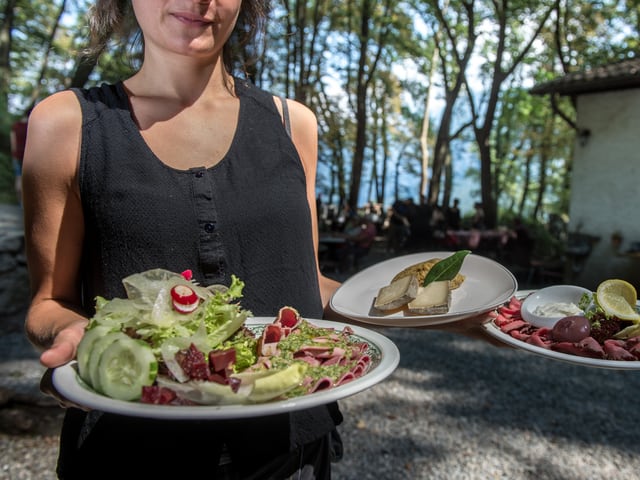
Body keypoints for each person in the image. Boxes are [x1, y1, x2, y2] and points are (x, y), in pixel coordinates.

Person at [22, 1, 343, 478]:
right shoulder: (66, 124)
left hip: (291, 454)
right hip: (128, 457)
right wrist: (76, 336)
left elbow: (307, 284)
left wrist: (430, 306)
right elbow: (49, 302)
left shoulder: (292, 124)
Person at [10, 113, 29, 204]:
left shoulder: (15, 126)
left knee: (18, 178)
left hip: (17, 155)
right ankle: (25, 202)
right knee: (26, 179)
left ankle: (20, 201)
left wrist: (14, 154)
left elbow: (13, 143)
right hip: (27, 156)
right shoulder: (29, 126)